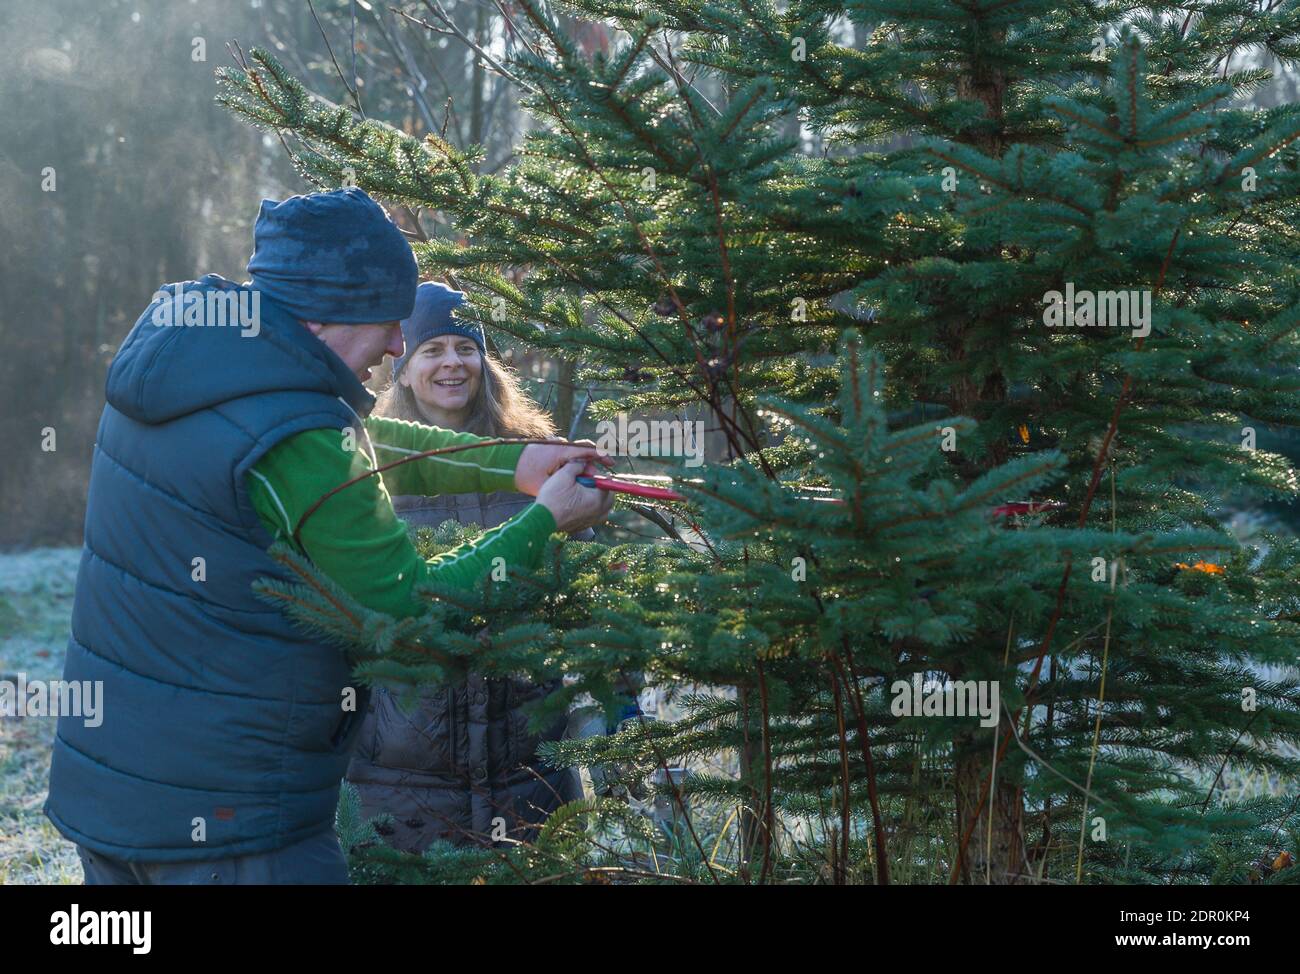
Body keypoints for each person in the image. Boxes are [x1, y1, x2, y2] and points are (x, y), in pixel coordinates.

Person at [44, 188, 613, 884]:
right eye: (389, 322)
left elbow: (346, 437)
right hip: (234, 828)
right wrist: (545, 520)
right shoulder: (295, 433)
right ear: (324, 317)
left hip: (113, 794)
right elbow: (408, 609)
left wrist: (511, 462)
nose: (398, 346)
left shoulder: (196, 357)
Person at [345, 282, 589, 854]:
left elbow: (585, 599)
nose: (452, 363)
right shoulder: (365, 466)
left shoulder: (536, 462)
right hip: (399, 780)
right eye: (432, 351)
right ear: (401, 370)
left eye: (466, 348)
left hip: (527, 772)